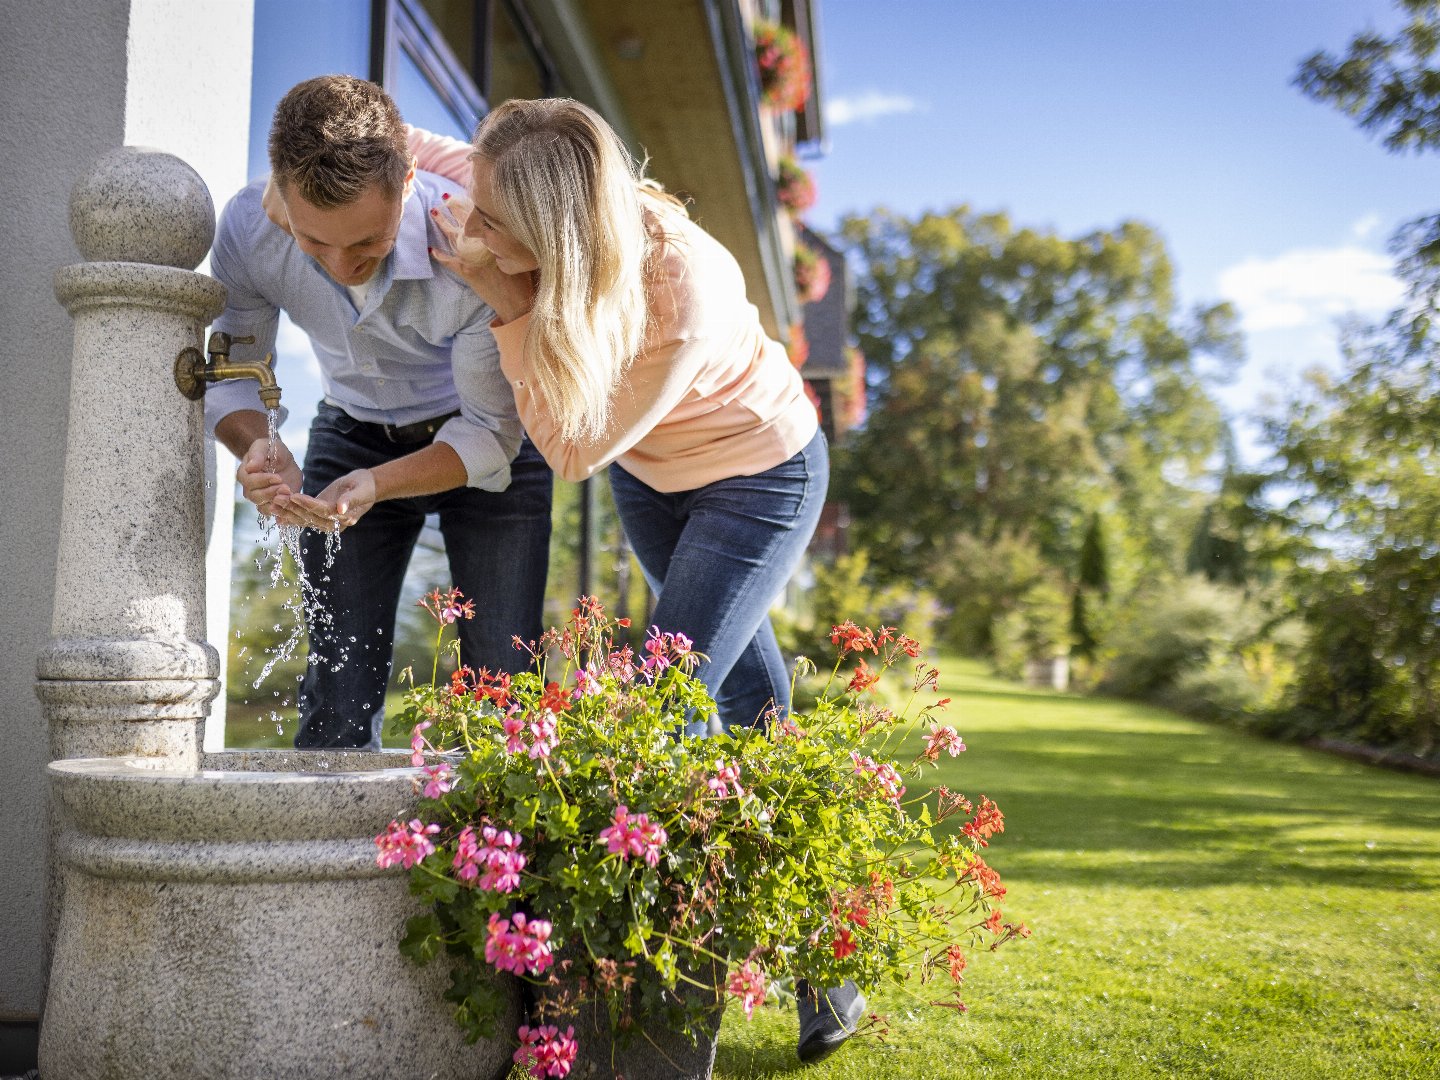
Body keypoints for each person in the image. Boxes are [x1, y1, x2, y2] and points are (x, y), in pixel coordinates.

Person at [411, 97, 861, 1064]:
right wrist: (296, 184)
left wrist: (505, 299)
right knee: (752, 702)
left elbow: (571, 448)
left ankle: (656, 995)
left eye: (491, 224)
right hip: (655, 479)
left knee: (663, 710)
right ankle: (833, 963)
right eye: (478, 209)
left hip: (757, 479)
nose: (468, 228)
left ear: (557, 234)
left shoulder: (677, 287)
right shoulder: (518, 181)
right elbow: (405, 143)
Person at [207, 75, 552, 751]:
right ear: (280, 195)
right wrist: (258, 445)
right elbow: (228, 375)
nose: (343, 267)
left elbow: (488, 433)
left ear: (408, 183)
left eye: (366, 244)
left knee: (502, 690)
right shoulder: (251, 228)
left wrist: (380, 483)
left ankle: (492, 851)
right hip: (353, 427)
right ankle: (323, 855)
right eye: (315, 245)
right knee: (336, 692)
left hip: (487, 436)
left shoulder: (475, 246)